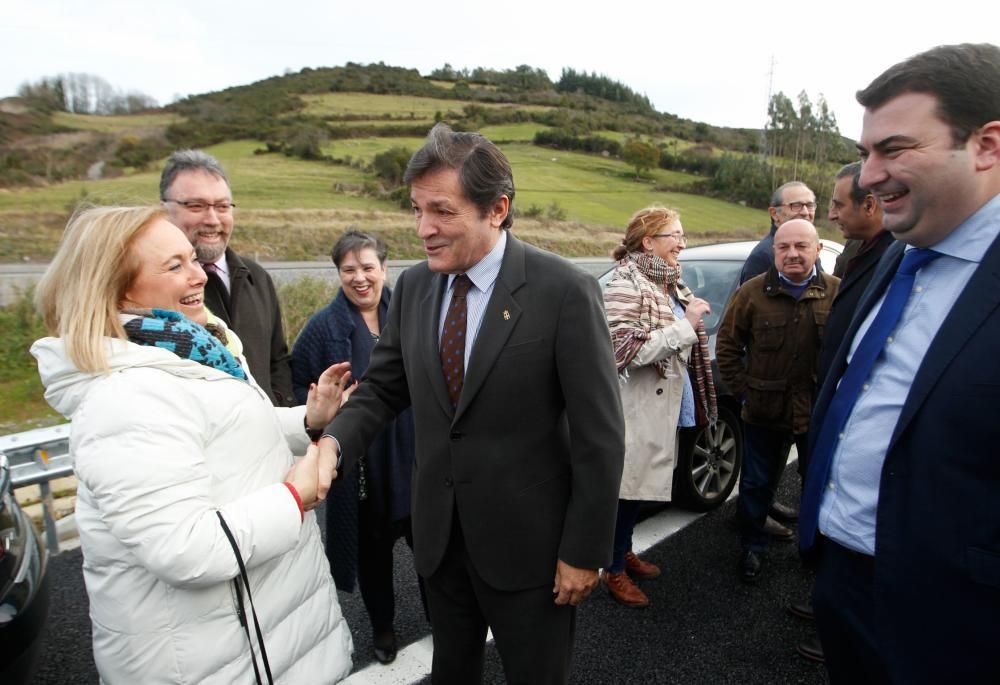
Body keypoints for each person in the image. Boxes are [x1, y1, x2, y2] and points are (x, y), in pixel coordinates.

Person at [317, 123, 626, 684]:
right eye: (416, 210)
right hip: (440, 544)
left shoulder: (564, 292)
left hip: (531, 551)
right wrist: (333, 443)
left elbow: (599, 434)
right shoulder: (412, 289)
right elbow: (384, 388)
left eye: (441, 211)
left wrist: (585, 549)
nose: (423, 229)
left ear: (497, 209)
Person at [30, 206, 354, 683]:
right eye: (174, 266)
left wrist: (308, 421)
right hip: (212, 656)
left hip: (263, 628)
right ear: (116, 290)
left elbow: (228, 435)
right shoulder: (126, 395)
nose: (200, 274)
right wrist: (295, 497)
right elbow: (185, 547)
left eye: (192, 259)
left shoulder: (189, 350)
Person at [799, 43, 1000, 683]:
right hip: (843, 580)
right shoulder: (895, 253)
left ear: (987, 145)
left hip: (959, 622)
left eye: (895, 149)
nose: (868, 176)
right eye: (865, 154)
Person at [292, 230, 423, 665]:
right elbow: (301, 398)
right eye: (349, 269)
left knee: (433, 549)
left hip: (414, 456)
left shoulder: (410, 314)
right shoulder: (320, 330)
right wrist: (325, 419)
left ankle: (444, 616)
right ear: (338, 274)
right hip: (363, 469)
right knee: (372, 558)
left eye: (369, 267)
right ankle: (383, 628)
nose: (360, 278)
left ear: (385, 269)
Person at [791, 161, 895, 665]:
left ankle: (841, 625)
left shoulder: (894, 256)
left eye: (837, 204)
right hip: (827, 398)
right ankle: (828, 605)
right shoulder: (861, 252)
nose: (829, 214)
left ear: (871, 205)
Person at [601, 207, 714, 608]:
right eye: (674, 236)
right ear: (648, 242)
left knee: (637, 489)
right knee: (624, 490)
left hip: (661, 400)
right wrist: (687, 325)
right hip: (634, 407)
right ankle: (612, 569)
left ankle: (624, 552)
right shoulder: (624, 282)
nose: (682, 244)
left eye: (683, 236)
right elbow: (623, 350)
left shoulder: (666, 281)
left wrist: (686, 313)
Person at [716, 219, 838, 583]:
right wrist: (744, 392)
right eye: (784, 247)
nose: (792, 254)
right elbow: (727, 348)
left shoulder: (837, 293)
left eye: (801, 246)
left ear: (817, 250)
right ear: (774, 252)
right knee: (755, 484)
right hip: (764, 412)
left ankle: (814, 550)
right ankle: (753, 547)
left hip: (816, 412)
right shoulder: (752, 294)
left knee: (818, 483)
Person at [160, 149, 295, 406]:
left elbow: (277, 360)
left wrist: (279, 408)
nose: (212, 219)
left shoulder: (257, 277)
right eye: (196, 206)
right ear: (164, 210)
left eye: (222, 206)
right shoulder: (150, 286)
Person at [738, 181, 818, 285]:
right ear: (774, 214)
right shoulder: (762, 258)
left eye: (810, 205)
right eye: (796, 205)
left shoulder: (811, 249)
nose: (805, 212)